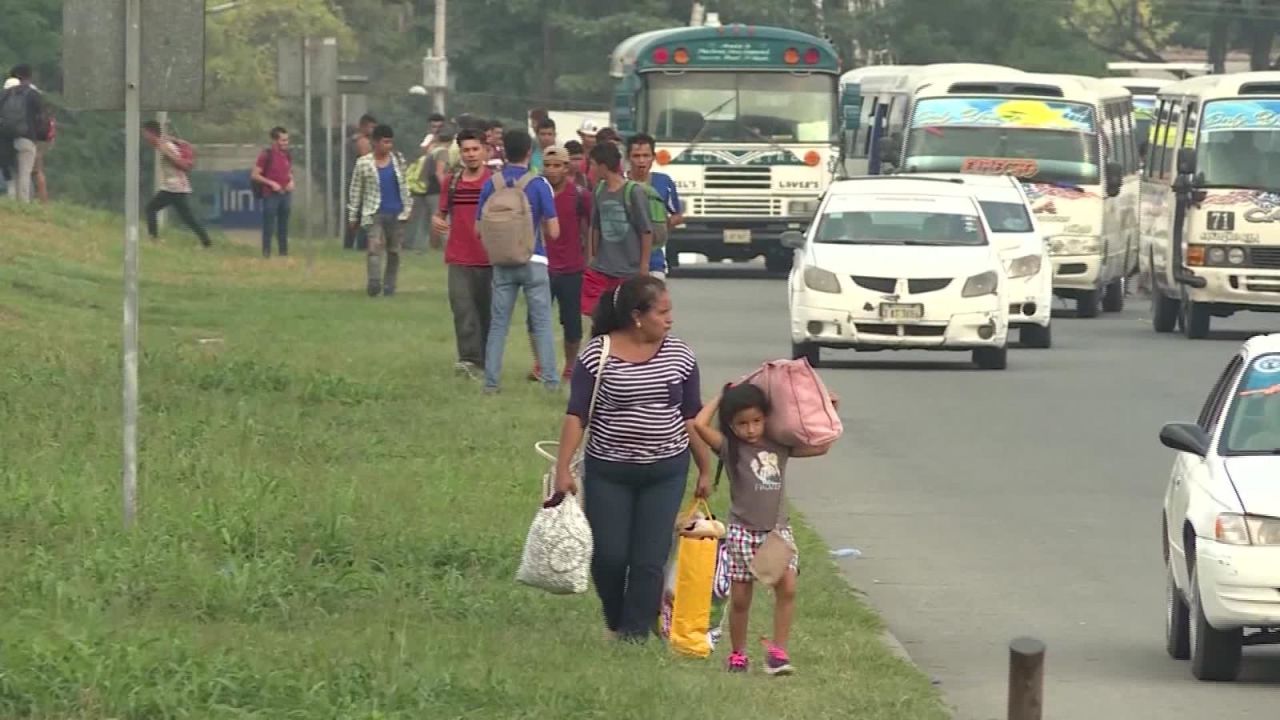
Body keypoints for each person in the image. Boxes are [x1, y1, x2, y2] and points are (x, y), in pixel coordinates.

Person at [553, 275, 712, 642]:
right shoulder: (598, 355)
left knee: (648, 559)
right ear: (637, 316)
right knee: (609, 556)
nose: (670, 319)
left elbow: (691, 416)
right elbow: (577, 415)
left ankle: (634, 635)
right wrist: (564, 468)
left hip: (666, 470)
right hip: (609, 470)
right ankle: (616, 617)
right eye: (663, 312)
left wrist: (704, 466)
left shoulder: (680, 355)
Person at [691, 384, 835, 675]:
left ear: (767, 417)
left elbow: (822, 444)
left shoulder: (779, 444)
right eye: (742, 423)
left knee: (788, 587)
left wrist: (826, 410)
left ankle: (778, 652)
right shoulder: (730, 449)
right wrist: (723, 396)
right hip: (743, 533)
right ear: (731, 425)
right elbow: (698, 424)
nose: (751, 429)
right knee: (742, 598)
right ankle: (738, 654)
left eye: (756, 421)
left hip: (777, 532)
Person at [475, 128, 560, 393]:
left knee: (498, 324)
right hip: (534, 260)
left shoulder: (492, 183)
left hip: (502, 262)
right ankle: (551, 382)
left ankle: (491, 383)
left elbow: (478, 230)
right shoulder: (538, 184)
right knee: (542, 323)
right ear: (529, 152)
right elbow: (554, 231)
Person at [525, 146, 591, 382]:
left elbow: (589, 228)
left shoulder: (580, 194)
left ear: (567, 167)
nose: (552, 170)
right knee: (534, 318)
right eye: (548, 165)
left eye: (557, 165)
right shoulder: (535, 191)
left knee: (571, 321)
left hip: (572, 267)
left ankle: (571, 366)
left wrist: (589, 259)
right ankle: (540, 363)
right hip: (541, 264)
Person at [433, 129, 493, 378]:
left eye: (475, 149)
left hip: (490, 258)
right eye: (466, 150)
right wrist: (436, 221)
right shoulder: (452, 181)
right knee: (462, 309)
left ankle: (487, 358)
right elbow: (441, 212)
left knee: (486, 311)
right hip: (459, 255)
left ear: (485, 151)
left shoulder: (495, 182)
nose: (471, 155)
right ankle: (468, 359)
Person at [581, 142, 652, 317]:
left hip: (629, 270)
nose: (591, 169)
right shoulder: (599, 190)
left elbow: (646, 231)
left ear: (603, 166)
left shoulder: (633, 192)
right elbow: (595, 227)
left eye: (594, 165)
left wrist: (643, 267)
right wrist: (591, 258)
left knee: (626, 318)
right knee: (595, 314)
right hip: (603, 268)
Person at [347, 124, 412, 297]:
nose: (388, 146)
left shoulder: (398, 160)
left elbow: (405, 185)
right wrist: (353, 215)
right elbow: (355, 190)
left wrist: (408, 207)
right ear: (375, 142)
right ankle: (374, 282)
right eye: (385, 142)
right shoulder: (364, 163)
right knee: (374, 248)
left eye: (390, 142)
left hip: (397, 212)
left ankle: (390, 285)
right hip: (374, 211)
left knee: (394, 251)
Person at [142, 120, 211, 247]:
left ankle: (154, 240)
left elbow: (184, 164)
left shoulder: (166, 146)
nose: (144, 136)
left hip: (175, 187)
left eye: (145, 133)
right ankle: (206, 241)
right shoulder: (162, 143)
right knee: (187, 217)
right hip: (173, 187)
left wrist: (168, 154)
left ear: (151, 133)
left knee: (151, 209)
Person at [626, 132, 683, 280]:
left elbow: (677, 215)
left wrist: (663, 228)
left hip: (655, 261)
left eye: (646, 156)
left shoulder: (664, 182)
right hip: (624, 263)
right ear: (628, 157)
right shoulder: (620, 183)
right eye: (636, 156)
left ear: (653, 157)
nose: (641, 161)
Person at [0, 64, 48, 203]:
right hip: (27, 138)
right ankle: (23, 206)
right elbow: (42, 118)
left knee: (11, 174)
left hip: (6, 139)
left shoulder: (4, 94)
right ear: (29, 77)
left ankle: (11, 203)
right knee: (24, 173)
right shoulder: (33, 94)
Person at [250, 126, 294, 258]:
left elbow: (289, 171)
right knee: (269, 225)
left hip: (285, 193)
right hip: (271, 195)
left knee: (283, 225)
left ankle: (283, 252)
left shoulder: (287, 155)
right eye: (282, 140)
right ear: (274, 141)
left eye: (287, 140)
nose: (286, 143)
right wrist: (271, 183)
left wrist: (291, 181)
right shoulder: (266, 155)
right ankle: (266, 252)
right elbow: (255, 175)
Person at [344, 114, 378, 251]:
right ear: (363, 126)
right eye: (372, 127)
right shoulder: (362, 141)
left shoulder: (353, 140)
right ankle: (362, 245)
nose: (374, 130)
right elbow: (367, 158)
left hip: (353, 179)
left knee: (354, 214)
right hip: (361, 181)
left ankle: (349, 244)